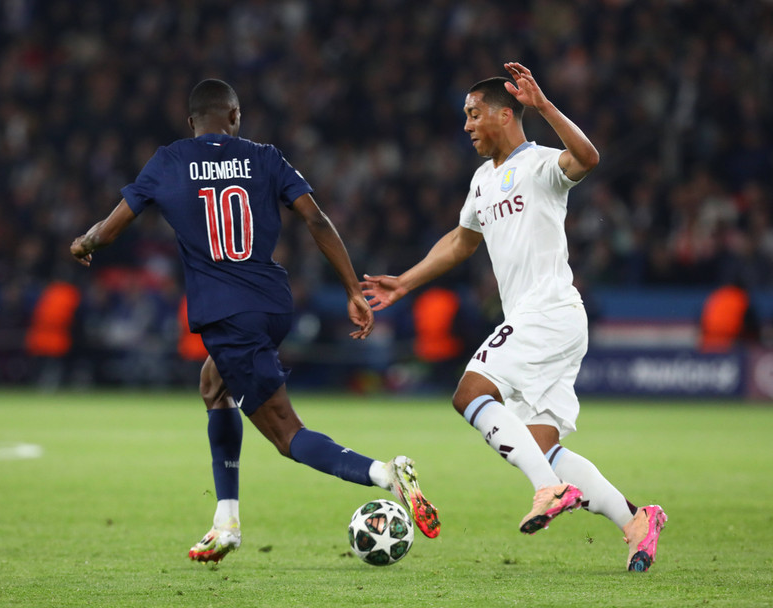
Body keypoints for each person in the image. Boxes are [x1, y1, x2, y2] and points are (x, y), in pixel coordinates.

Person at [70, 79, 440, 563]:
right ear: (235, 116)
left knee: (287, 436)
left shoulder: (169, 160)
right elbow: (317, 220)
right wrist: (352, 287)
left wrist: (85, 243)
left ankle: (386, 474)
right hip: (272, 304)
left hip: (227, 314)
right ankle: (225, 522)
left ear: (192, 123)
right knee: (213, 384)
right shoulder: (265, 156)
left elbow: (113, 227)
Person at [362, 63, 666, 572]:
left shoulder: (541, 165)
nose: (466, 126)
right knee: (542, 446)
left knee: (469, 392)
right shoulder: (483, 181)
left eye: (473, 114)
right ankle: (636, 519)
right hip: (551, 324)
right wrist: (406, 281)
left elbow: (588, 157)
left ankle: (548, 491)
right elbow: (462, 240)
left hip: (546, 312)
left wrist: (545, 106)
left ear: (505, 115)